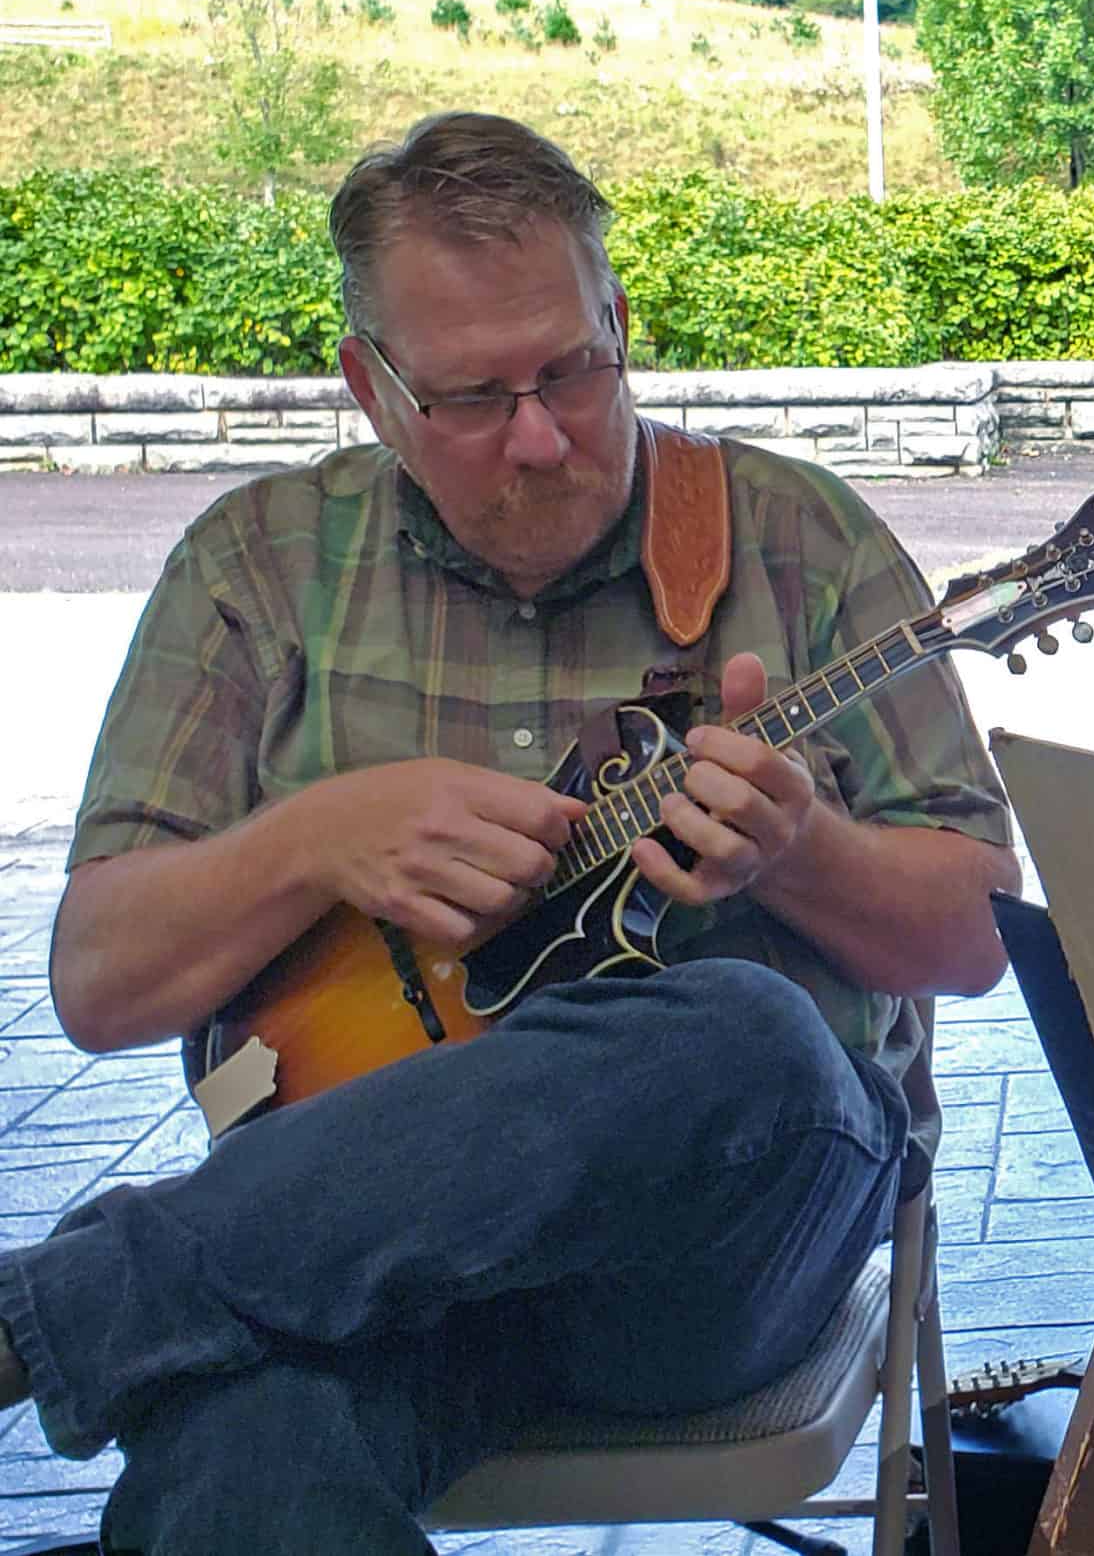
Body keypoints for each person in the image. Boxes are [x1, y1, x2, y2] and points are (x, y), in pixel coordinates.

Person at [0, 111, 1021, 1553]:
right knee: (243, 1453)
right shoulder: (258, 566)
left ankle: (46, 1316)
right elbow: (99, 981)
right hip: (375, 1259)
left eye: (573, 371)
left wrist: (804, 854)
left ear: (621, 322)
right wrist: (312, 840)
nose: (542, 437)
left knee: (741, 1036)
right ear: (371, 388)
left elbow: (980, 936)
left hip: (714, 1251)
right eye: (474, 398)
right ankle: (132, 1312)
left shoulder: (801, 536)